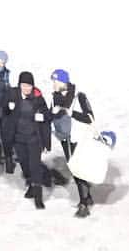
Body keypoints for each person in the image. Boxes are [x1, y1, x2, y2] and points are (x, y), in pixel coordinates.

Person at [1, 70, 52, 209]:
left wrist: (41, 117)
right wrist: (8, 107)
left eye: (29, 86)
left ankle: (38, 197)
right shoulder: (12, 94)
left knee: (35, 166)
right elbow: (3, 111)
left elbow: (47, 115)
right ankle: (31, 184)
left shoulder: (38, 97)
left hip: (34, 138)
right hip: (18, 138)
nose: (26, 88)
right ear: (19, 85)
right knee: (24, 164)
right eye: (24, 85)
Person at [49, 68, 96, 217]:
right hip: (65, 138)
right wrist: (52, 114)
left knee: (78, 170)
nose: (54, 85)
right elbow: (51, 117)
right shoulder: (54, 97)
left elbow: (90, 118)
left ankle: (84, 204)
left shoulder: (78, 96)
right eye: (53, 82)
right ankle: (87, 198)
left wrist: (72, 114)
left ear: (64, 82)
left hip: (79, 138)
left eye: (56, 82)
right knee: (75, 169)